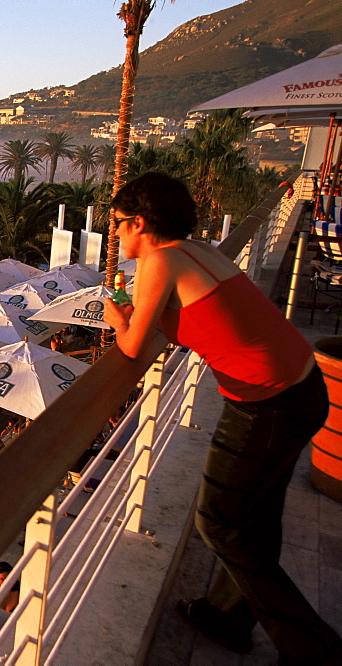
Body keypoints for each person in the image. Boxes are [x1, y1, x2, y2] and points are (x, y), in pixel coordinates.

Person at [102, 172, 342, 662]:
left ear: (141, 223)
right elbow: (173, 332)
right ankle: (228, 618)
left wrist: (117, 319)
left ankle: (315, 649)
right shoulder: (198, 251)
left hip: (265, 404)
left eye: (120, 226)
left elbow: (132, 346)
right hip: (302, 389)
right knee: (257, 517)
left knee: (219, 523)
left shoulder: (160, 260)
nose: (117, 236)